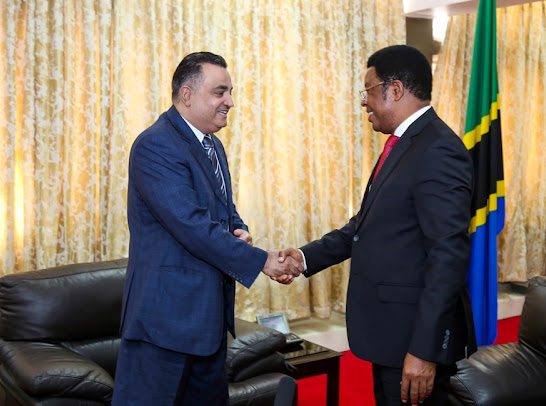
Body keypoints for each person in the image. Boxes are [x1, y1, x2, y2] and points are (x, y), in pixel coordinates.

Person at [279, 45, 476, 406]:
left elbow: (448, 256)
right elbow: (365, 226)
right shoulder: (403, 145)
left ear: (395, 90)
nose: (364, 102)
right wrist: (304, 258)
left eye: (368, 90)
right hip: (391, 335)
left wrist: (424, 350)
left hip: (412, 341)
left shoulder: (438, 149)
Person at [112, 52, 302, 405]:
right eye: (220, 92)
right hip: (164, 325)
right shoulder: (156, 145)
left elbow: (224, 211)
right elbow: (191, 225)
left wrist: (240, 231)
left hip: (209, 322)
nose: (230, 101)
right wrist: (261, 260)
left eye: (230, 92)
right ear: (187, 95)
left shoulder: (213, 145)